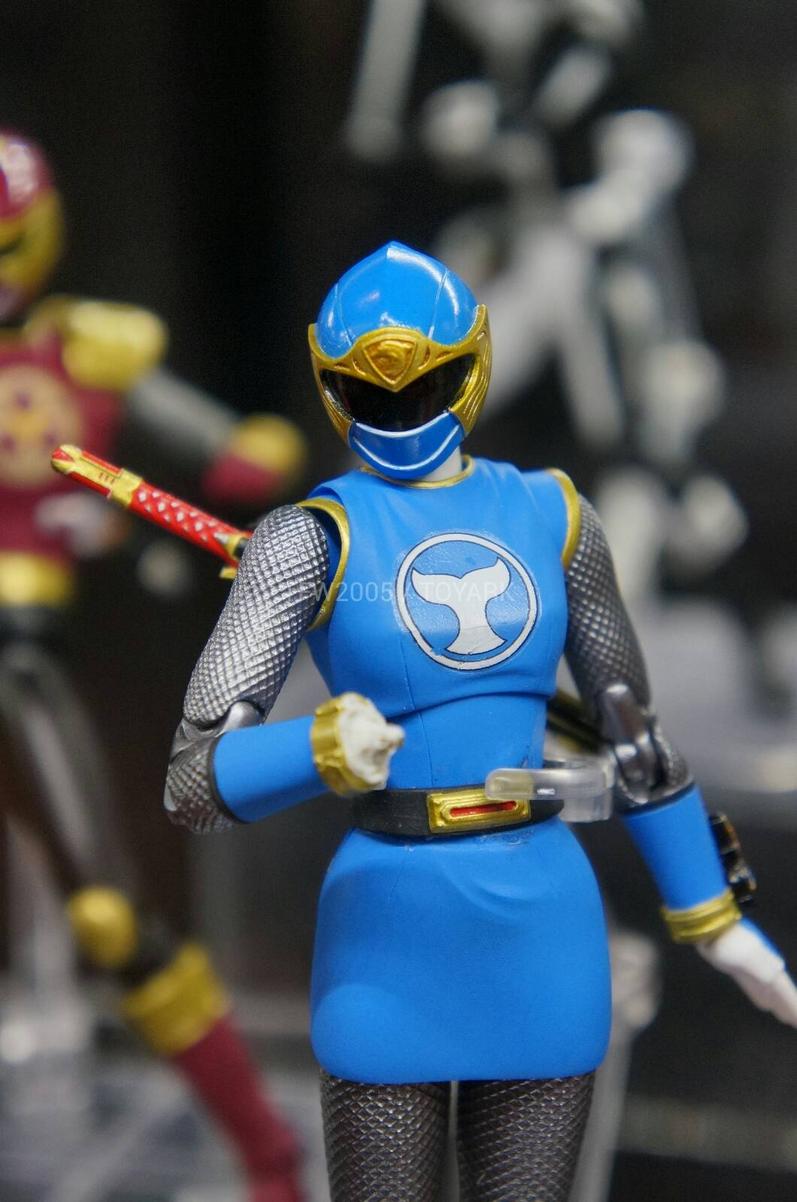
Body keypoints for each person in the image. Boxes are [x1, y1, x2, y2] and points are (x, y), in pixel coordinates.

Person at [165, 241, 797, 1202]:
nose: (401, 413)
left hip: (538, 917)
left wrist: (716, 918)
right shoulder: (308, 540)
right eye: (372, 394)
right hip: (389, 925)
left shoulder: (553, 515)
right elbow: (192, 782)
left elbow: (633, 737)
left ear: (474, 363)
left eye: (424, 385)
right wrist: (316, 748)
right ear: (333, 387)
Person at [0, 129, 303, 1202]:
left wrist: (246, 458)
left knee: (109, 916)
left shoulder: (86, 352)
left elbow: (230, 449)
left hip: (20, 654)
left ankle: (267, 1153)